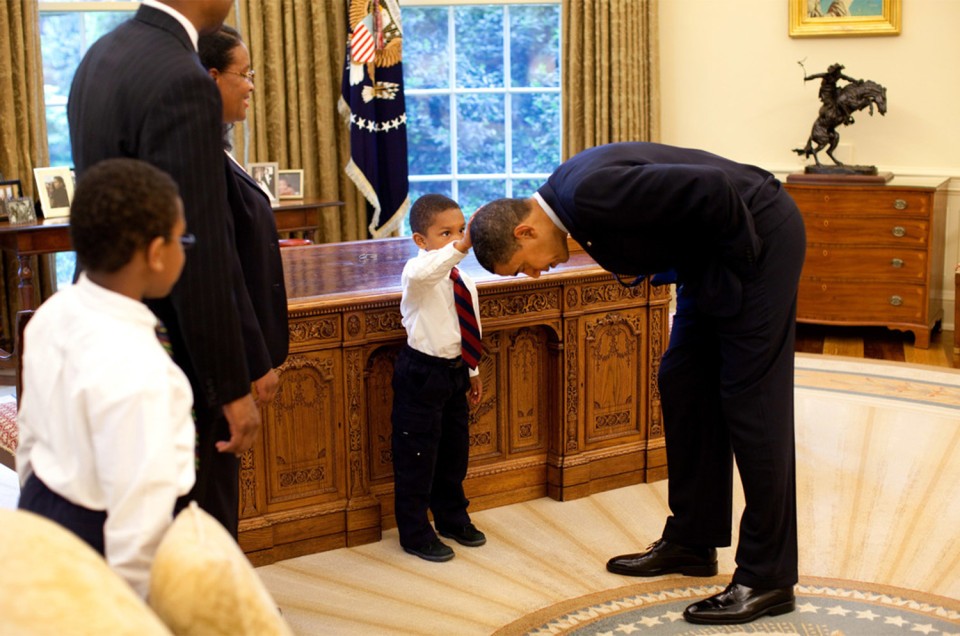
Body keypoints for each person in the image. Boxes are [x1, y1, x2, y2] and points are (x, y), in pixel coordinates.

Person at [469, 142, 805, 625]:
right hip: (713, 254)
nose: (535, 273)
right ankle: (693, 540)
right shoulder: (571, 199)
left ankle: (768, 577)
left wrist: (743, 273)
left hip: (757, 239)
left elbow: (714, 188)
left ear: (525, 231)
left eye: (524, 264)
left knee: (753, 404)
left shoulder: (588, 193)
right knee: (683, 381)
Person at [67, 0, 261, 538]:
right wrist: (230, 385)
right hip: (172, 350)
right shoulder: (183, 77)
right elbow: (198, 246)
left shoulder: (100, 55)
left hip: (104, 325)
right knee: (194, 531)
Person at [17, 158, 195, 599]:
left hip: (41, 505)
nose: (184, 250)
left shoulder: (52, 313)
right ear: (156, 254)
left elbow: (29, 437)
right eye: (182, 239)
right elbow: (139, 519)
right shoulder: (143, 369)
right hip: (101, 539)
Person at [391, 193, 486, 562]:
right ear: (420, 240)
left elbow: (468, 325)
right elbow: (427, 271)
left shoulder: (463, 279)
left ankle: (452, 517)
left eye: (460, 230)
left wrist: (472, 370)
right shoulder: (416, 274)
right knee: (417, 456)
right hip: (421, 374)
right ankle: (415, 532)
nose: (456, 238)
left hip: (455, 372)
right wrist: (462, 246)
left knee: (453, 452)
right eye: (445, 233)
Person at [199, 25, 287, 405]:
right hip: (231, 359)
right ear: (212, 77)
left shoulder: (216, 146)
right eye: (245, 74)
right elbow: (223, 268)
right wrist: (256, 361)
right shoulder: (201, 158)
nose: (251, 86)